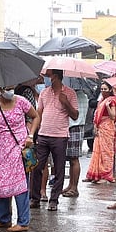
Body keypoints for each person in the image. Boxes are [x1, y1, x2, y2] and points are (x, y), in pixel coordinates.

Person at [0, 86, 39, 232]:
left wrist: (31, 135)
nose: (9, 91)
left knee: (20, 184)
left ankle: (23, 222)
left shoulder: (21, 101)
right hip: (2, 149)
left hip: (19, 147)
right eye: (6, 88)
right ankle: (4, 218)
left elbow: (36, 116)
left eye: (11, 87)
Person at [28, 69, 78, 212]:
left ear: (55, 77)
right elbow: (39, 113)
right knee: (37, 167)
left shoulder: (70, 93)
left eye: (49, 76)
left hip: (60, 136)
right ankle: (35, 198)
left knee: (59, 169)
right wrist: (34, 132)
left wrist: (66, 102)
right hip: (43, 135)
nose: (47, 79)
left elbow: (75, 115)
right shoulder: (44, 92)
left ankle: (54, 200)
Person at [83, 81, 116, 183]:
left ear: (110, 90)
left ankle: (106, 175)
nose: (103, 91)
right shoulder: (101, 100)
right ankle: (95, 174)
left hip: (108, 128)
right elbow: (96, 114)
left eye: (105, 89)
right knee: (97, 151)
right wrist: (95, 126)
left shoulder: (112, 101)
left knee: (106, 152)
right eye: (102, 89)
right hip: (99, 127)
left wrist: (107, 106)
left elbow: (112, 116)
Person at [62, 86, 89, 198]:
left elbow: (73, 114)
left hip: (74, 127)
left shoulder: (77, 96)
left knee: (74, 159)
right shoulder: (84, 95)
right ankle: (71, 185)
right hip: (76, 127)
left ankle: (74, 187)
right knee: (72, 159)